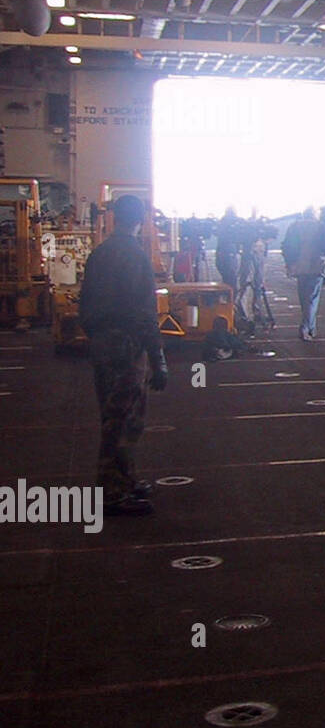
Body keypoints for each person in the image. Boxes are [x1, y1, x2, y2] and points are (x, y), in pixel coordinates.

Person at [78, 195, 167, 516]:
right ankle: (112, 491)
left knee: (111, 414)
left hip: (102, 343)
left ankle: (124, 481)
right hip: (128, 346)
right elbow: (145, 312)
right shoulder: (136, 256)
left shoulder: (99, 254)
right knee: (126, 421)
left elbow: (84, 304)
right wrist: (158, 359)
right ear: (140, 220)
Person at [281, 206, 325, 340]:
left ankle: (311, 328)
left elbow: (286, 246)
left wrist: (290, 264)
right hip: (315, 266)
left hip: (299, 267)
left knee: (304, 298)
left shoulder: (294, 226)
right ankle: (306, 328)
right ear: (315, 214)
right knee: (312, 299)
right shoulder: (320, 226)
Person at [215, 206, 241, 290]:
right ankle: (231, 295)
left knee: (227, 274)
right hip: (228, 250)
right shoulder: (234, 221)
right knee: (230, 274)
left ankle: (229, 294)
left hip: (223, 250)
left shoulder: (222, 221)